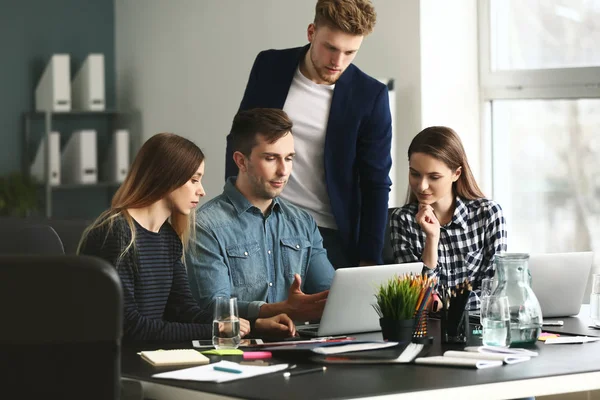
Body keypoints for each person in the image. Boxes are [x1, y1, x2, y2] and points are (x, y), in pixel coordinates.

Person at [78, 133, 295, 342]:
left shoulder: (168, 237)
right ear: (166, 177)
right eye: (194, 180)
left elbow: (184, 310)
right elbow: (131, 327)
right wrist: (214, 330)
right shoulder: (117, 234)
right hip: (120, 365)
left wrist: (251, 325)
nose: (201, 191)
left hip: (152, 356)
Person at [225, 0, 392, 268]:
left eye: (350, 52)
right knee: (259, 308)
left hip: (327, 233)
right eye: (331, 48)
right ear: (311, 32)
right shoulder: (269, 66)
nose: (338, 62)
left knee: (326, 309)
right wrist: (234, 211)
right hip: (261, 220)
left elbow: (376, 182)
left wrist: (370, 258)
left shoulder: (370, 96)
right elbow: (239, 139)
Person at [187, 108, 335, 321]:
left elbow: (330, 293)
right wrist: (275, 311)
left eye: (289, 158)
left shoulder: (303, 223)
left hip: (299, 343)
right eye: (271, 158)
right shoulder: (205, 225)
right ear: (241, 161)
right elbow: (213, 307)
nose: (283, 171)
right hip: (239, 347)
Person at [390, 126, 507, 310]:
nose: (421, 186)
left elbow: (496, 290)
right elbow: (418, 298)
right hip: (427, 331)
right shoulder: (402, 220)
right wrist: (432, 239)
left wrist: (445, 305)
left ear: (456, 174)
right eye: (415, 174)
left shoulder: (488, 214)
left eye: (434, 177)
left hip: (479, 327)